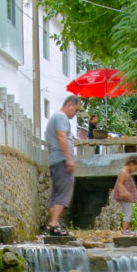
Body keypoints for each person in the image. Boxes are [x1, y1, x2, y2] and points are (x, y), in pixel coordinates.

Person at [43, 95, 82, 236]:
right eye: (76, 110)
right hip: (61, 159)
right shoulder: (61, 117)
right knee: (64, 191)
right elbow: (61, 137)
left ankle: (55, 226)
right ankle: (53, 223)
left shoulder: (55, 117)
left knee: (56, 194)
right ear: (69, 105)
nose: (75, 114)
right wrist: (68, 158)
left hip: (55, 160)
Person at [110, 157, 137, 234]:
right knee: (128, 213)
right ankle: (124, 230)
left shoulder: (127, 172)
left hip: (125, 197)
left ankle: (127, 229)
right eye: (136, 167)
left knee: (128, 213)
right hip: (123, 196)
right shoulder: (123, 172)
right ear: (131, 164)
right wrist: (124, 192)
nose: (135, 170)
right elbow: (119, 183)